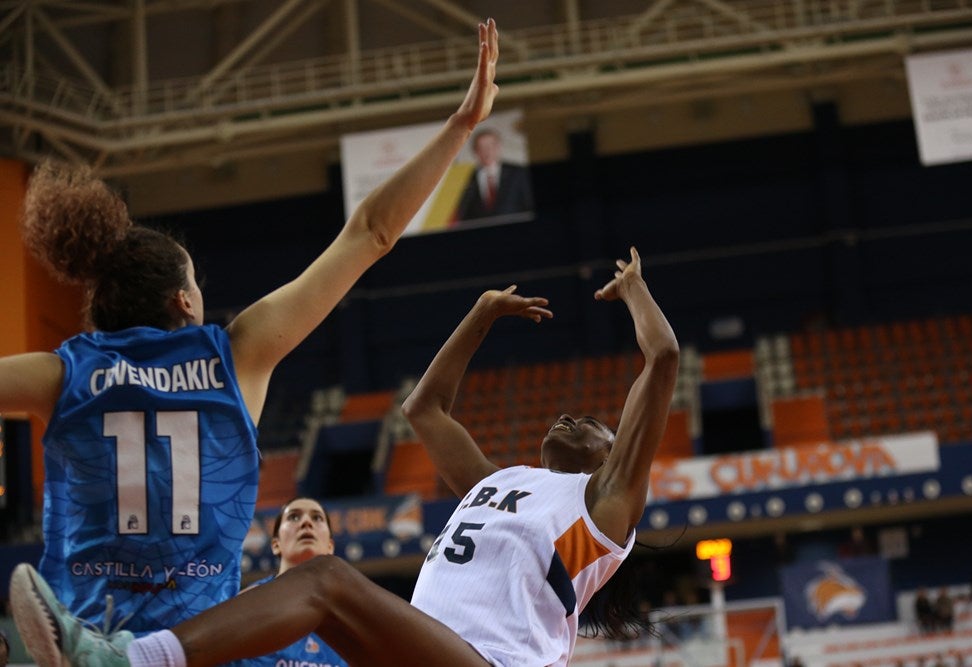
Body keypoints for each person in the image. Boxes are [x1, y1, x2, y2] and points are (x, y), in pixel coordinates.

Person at [1, 16, 504, 639]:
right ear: (184, 301)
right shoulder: (236, 355)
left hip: (83, 638)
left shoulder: (62, 374)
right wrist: (462, 124)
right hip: (196, 647)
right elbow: (371, 232)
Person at [11, 244, 681, 667]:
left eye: (592, 422)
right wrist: (478, 315)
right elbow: (424, 409)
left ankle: (129, 660)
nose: (571, 416)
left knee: (325, 582)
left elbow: (664, 357)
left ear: (611, 453)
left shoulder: (604, 506)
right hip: (426, 653)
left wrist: (635, 289)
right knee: (317, 604)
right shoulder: (498, 481)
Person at [234, 497, 346, 667]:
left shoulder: (351, 614)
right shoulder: (244, 604)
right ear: (275, 544)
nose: (306, 522)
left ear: (330, 546)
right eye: (294, 517)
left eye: (317, 518)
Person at [453, 126, 533, 224]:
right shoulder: (466, 178)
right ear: (475, 151)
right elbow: (462, 214)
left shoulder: (518, 173)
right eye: (481, 147)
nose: (487, 151)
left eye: (491, 146)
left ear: (499, 147)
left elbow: (529, 207)